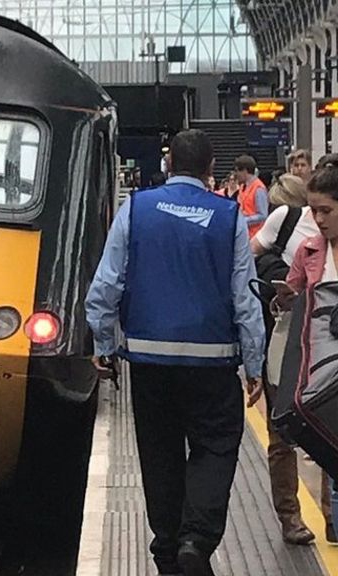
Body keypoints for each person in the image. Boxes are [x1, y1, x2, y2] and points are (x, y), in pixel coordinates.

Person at [86, 129, 265, 576]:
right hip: (213, 362)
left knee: (159, 452)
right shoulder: (228, 218)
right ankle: (195, 540)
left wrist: (104, 345)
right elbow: (244, 297)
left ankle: (167, 548)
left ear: (167, 166)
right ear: (210, 171)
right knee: (216, 446)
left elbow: (106, 284)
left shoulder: (136, 209)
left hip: (149, 362)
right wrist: (255, 364)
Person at [250, 174, 327, 545]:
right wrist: (285, 297)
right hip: (297, 350)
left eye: (326, 210)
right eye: (314, 209)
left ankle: (332, 516)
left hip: (331, 355)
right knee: (283, 434)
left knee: (330, 435)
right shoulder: (306, 249)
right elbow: (284, 293)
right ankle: (291, 517)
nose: (318, 218)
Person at [235, 155, 269, 237]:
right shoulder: (242, 187)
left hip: (256, 235)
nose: (236, 174)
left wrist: (243, 220)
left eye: (237, 171)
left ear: (245, 171)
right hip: (245, 234)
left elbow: (263, 215)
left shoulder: (258, 188)